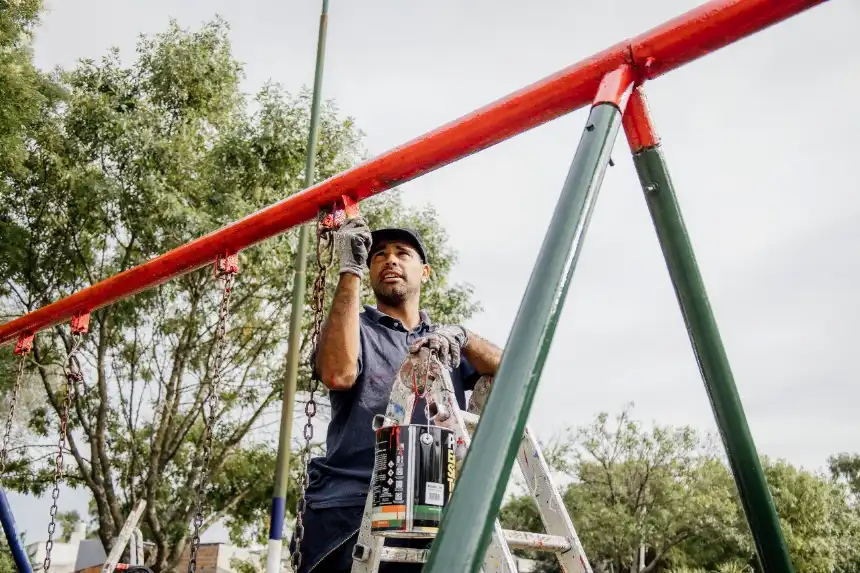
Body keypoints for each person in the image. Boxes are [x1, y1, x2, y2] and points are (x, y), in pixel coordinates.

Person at [289, 216, 504, 572]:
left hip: (430, 510)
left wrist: (464, 336)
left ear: (425, 272)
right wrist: (349, 270)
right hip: (353, 511)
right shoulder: (354, 329)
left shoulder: (442, 345)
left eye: (403, 253)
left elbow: (515, 371)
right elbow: (337, 373)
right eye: (377, 255)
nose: (389, 260)